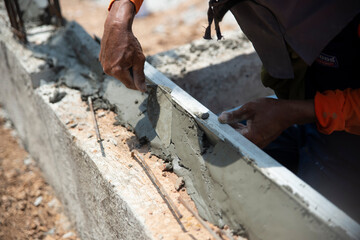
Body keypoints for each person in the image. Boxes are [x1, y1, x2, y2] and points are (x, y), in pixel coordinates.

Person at [100, 0, 360, 222]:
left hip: (349, 117)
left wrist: (298, 112)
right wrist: (122, 10)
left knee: (305, 221)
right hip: (310, 93)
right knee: (225, 164)